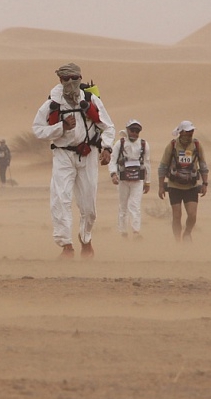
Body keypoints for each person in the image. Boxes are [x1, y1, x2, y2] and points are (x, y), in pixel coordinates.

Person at [32, 63, 115, 260]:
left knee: (89, 205)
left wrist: (107, 148)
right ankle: (66, 245)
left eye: (74, 78)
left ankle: (86, 239)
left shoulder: (91, 100)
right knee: (61, 199)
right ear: (60, 80)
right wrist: (61, 127)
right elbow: (37, 130)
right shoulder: (52, 103)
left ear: (80, 78)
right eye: (66, 79)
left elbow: (108, 126)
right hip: (63, 155)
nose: (70, 82)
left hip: (89, 154)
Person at [158, 120, 209, 242]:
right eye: (187, 131)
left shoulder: (196, 145)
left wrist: (205, 183)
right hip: (174, 186)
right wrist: (161, 186)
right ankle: (177, 241)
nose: (190, 134)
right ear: (181, 132)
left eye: (191, 131)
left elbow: (203, 165)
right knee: (177, 216)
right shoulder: (172, 146)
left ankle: (187, 233)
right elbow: (163, 166)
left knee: (192, 215)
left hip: (191, 186)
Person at [109, 119, 151, 239]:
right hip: (123, 180)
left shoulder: (144, 144)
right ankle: (123, 231)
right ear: (127, 130)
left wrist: (147, 182)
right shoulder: (120, 144)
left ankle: (136, 231)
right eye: (132, 130)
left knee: (135, 205)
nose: (134, 133)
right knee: (123, 206)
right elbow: (112, 160)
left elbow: (147, 163)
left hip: (138, 180)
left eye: (137, 131)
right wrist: (113, 174)